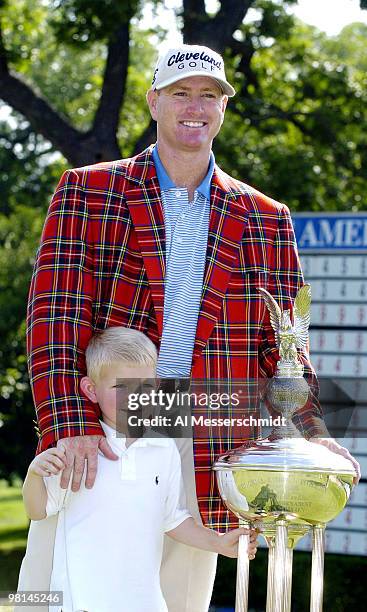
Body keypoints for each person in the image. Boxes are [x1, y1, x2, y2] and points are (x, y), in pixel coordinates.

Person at [25, 42, 360, 611]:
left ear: (223, 109)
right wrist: (69, 424)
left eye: (209, 96)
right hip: (105, 425)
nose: (195, 107)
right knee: (55, 587)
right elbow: (56, 317)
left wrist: (310, 429)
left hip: (205, 422)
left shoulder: (266, 217)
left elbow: (284, 345)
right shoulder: (88, 190)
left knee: (179, 599)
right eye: (181, 93)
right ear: (154, 101)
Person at [21, 327, 257, 612]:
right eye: (121, 387)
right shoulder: (79, 451)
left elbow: (173, 521)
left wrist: (218, 543)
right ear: (91, 390)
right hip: (81, 604)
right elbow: (38, 510)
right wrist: (34, 473)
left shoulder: (164, 450)